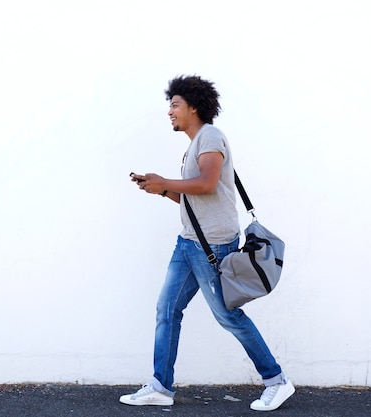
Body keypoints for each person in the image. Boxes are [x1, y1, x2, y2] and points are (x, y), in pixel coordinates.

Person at [122, 75, 295, 412]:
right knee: (167, 310)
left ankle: (277, 381)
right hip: (188, 244)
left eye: (175, 105)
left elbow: (207, 184)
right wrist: (161, 190)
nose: (169, 112)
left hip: (212, 247)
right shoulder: (195, 143)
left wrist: (164, 180)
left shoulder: (211, 137)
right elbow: (195, 199)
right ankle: (160, 386)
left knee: (229, 317)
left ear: (193, 106)